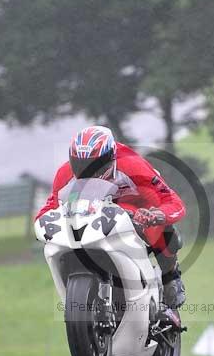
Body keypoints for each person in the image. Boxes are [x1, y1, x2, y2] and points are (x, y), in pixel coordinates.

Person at [36, 125, 186, 308]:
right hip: (91, 218)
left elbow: (172, 202)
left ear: (112, 156)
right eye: (81, 165)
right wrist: (43, 225)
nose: (89, 172)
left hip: (136, 209)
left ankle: (171, 276)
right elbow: (50, 207)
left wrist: (158, 214)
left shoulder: (133, 165)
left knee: (163, 229)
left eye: (97, 164)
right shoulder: (64, 174)